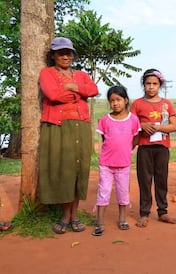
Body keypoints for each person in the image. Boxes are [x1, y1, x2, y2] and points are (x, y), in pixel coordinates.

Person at [39, 37, 99, 234]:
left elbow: (94, 90)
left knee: (79, 170)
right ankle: (65, 215)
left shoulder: (81, 75)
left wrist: (75, 88)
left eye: (68, 53)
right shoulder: (46, 73)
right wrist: (80, 94)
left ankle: (75, 214)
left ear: (73, 55)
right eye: (61, 53)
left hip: (81, 125)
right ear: (54, 55)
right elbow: (53, 95)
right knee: (64, 169)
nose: (65, 56)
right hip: (58, 126)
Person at [131, 68, 176, 228]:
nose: (151, 87)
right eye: (148, 83)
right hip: (144, 148)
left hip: (162, 148)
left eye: (155, 84)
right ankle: (144, 213)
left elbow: (174, 126)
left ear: (160, 85)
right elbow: (130, 125)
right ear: (143, 85)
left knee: (161, 179)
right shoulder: (137, 104)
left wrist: (158, 128)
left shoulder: (166, 104)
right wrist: (142, 125)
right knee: (144, 180)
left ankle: (162, 211)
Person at [92, 86, 141, 236]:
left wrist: (127, 151)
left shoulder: (133, 119)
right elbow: (103, 140)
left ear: (125, 100)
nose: (115, 103)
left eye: (118, 100)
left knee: (122, 192)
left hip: (124, 164)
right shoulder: (105, 120)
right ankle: (99, 223)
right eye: (112, 100)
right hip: (106, 164)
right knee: (104, 191)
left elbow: (136, 138)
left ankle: (122, 219)